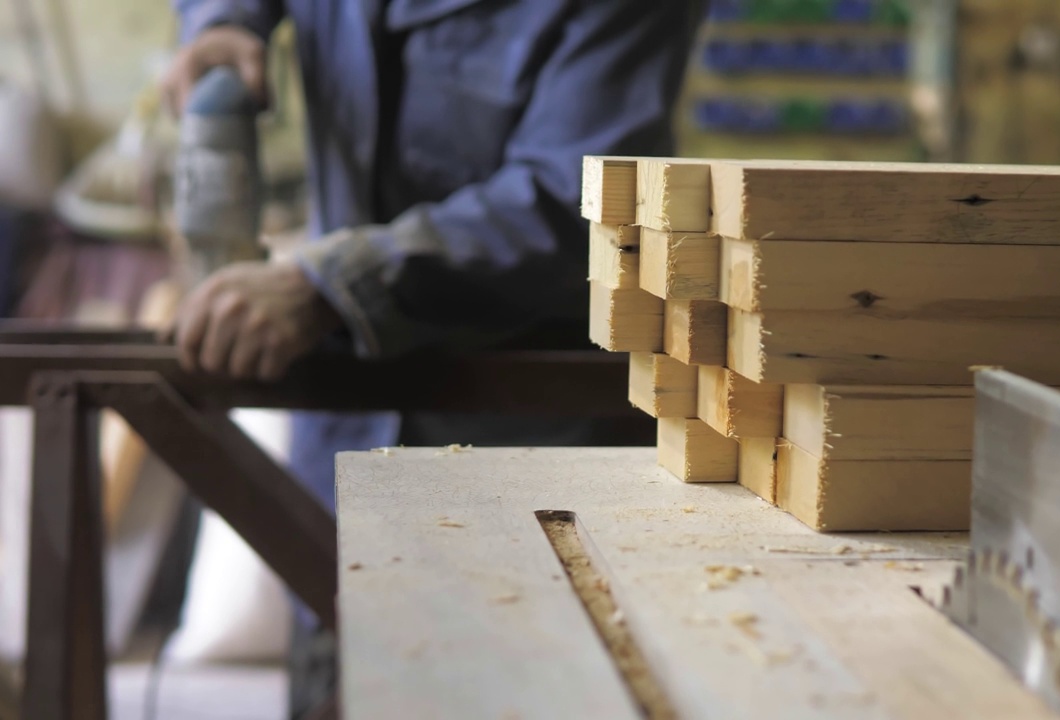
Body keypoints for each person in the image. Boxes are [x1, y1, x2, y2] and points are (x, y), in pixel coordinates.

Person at [163, 1, 706, 715]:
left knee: (520, 688)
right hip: (344, 439)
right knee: (341, 683)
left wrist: (334, 283)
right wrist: (221, 21)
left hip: (525, 452)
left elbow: (574, 196)